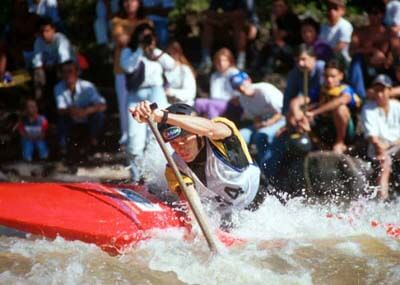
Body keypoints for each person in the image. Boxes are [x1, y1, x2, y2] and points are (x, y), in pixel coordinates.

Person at [130, 101, 261, 225]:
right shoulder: (175, 168)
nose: (181, 147)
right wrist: (196, 229)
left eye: (185, 139)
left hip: (258, 204)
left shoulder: (221, 137)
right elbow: (192, 206)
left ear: (198, 135)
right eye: (174, 143)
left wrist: (161, 116)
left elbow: (210, 129)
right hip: (225, 215)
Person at [120, 22, 175, 181]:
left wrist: (153, 49)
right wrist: (140, 49)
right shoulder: (128, 52)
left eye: (148, 36)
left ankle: (155, 177)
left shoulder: (155, 54)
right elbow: (128, 67)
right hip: (136, 95)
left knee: (157, 134)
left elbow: (171, 65)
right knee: (134, 137)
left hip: (156, 92)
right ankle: (136, 177)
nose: (145, 39)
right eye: (143, 36)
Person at [111, 0, 150, 146]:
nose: (129, 3)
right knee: (124, 105)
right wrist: (141, 37)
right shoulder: (117, 21)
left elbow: (149, 42)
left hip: (143, 70)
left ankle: (145, 139)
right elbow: (122, 41)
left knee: (144, 104)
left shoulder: (147, 21)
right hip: (122, 70)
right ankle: (127, 138)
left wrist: (135, 38)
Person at [302, 59, 361, 153]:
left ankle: (340, 142)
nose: (329, 80)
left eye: (333, 76)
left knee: (340, 108)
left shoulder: (346, 90)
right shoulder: (320, 90)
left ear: (341, 76)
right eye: (326, 76)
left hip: (346, 132)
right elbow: (304, 101)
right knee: (303, 113)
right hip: (325, 127)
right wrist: (297, 108)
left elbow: (342, 100)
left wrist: (314, 112)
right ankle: (316, 143)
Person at [230, 71, 285, 163]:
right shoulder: (242, 99)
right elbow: (255, 116)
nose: (241, 88)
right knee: (239, 136)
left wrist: (269, 123)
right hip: (264, 121)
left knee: (260, 136)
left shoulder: (265, 90)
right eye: (237, 87)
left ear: (249, 80)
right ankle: (241, 165)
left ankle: (266, 167)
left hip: (281, 119)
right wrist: (258, 124)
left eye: (242, 84)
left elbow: (283, 111)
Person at [54, 60, 107, 155]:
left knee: (99, 116)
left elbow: (103, 105)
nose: (67, 75)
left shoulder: (87, 86)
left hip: (87, 116)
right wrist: (72, 111)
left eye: (70, 71)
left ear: (77, 72)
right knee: (61, 120)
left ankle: (93, 144)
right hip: (71, 117)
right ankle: (64, 148)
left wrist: (87, 110)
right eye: (64, 72)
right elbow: (60, 109)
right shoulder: (58, 87)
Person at [361, 74, 400, 200]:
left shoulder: (397, 106)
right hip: (379, 148)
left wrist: (393, 144)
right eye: (376, 91)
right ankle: (382, 200)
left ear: (389, 90)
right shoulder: (368, 108)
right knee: (385, 163)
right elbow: (372, 137)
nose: (379, 94)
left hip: (396, 145)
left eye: (382, 90)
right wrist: (382, 148)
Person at [198, 0, 259, 72]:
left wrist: (254, 24)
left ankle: (240, 61)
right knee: (207, 23)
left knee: (238, 21)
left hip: (240, 23)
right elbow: (211, 11)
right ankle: (206, 59)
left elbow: (246, 13)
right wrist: (220, 18)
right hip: (224, 21)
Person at [349, 1, 389, 100]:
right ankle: (360, 97)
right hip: (364, 70)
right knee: (356, 60)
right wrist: (372, 50)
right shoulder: (359, 32)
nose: (372, 16)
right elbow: (351, 52)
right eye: (370, 13)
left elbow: (394, 57)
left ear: (382, 15)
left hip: (383, 70)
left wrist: (384, 59)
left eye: (375, 13)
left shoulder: (389, 34)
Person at [32, 17, 75, 101]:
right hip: (48, 69)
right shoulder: (38, 41)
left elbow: (64, 61)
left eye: (47, 31)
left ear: (53, 30)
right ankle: (41, 101)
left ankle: (66, 98)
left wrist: (53, 66)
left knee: (63, 70)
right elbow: (37, 64)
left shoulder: (61, 39)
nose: (44, 34)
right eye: (42, 31)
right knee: (38, 73)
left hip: (67, 67)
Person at [195, 48, 240, 119]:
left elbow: (238, 95)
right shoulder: (214, 75)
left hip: (230, 104)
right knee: (198, 102)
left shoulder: (234, 73)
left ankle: (213, 126)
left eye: (224, 61)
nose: (221, 63)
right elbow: (213, 94)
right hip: (215, 101)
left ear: (230, 61)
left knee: (212, 105)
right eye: (219, 61)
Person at [164, 41, 197, 106]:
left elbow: (190, 93)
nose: (169, 56)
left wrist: (170, 92)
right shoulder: (163, 70)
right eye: (167, 54)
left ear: (178, 53)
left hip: (183, 106)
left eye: (171, 54)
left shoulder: (185, 70)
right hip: (166, 104)